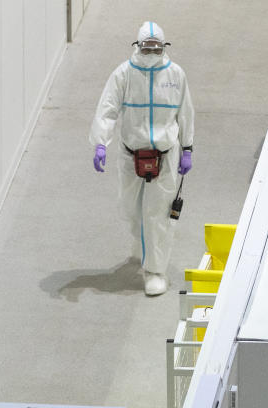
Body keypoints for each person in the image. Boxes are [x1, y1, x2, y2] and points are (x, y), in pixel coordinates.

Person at [89, 21, 195, 296]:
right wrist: (101, 142)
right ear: (137, 46)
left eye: (156, 47)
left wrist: (187, 148)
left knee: (157, 216)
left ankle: (155, 271)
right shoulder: (123, 74)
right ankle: (143, 243)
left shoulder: (175, 75)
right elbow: (108, 109)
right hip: (130, 154)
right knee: (132, 211)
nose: (151, 52)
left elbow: (186, 113)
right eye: (146, 47)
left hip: (165, 156)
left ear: (164, 47)